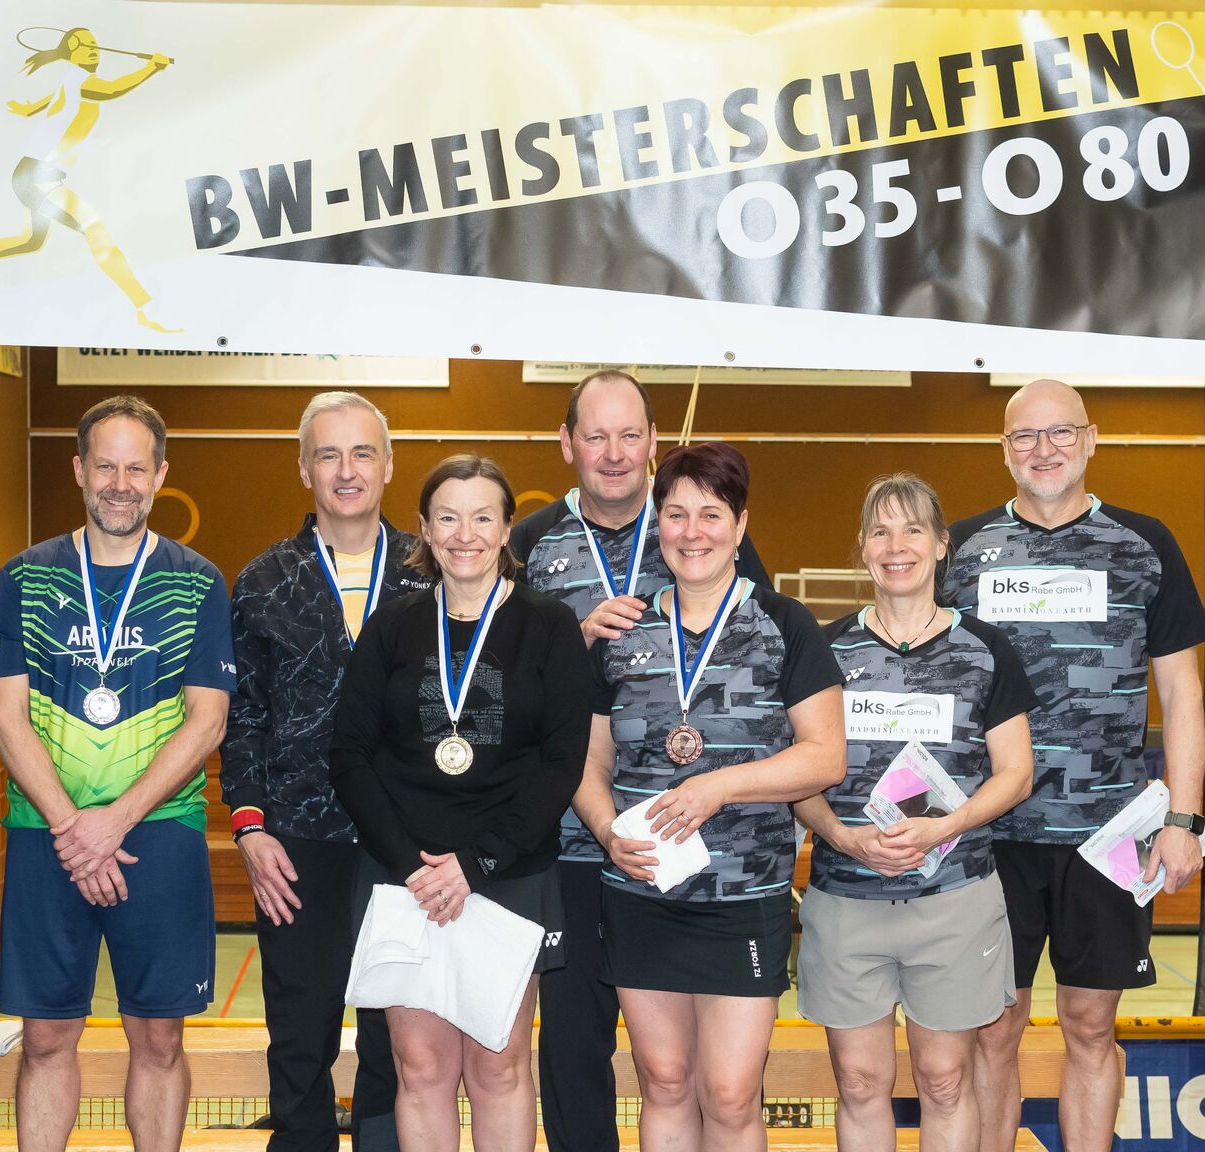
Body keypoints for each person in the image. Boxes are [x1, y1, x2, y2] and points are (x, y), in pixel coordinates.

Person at [507, 370, 771, 1152]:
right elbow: (494, 683)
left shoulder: (697, 525)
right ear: (567, 444)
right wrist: (570, 643)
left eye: (630, 435)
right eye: (597, 436)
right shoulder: (529, 544)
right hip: (569, 839)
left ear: (654, 441)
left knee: (699, 1070)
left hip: (690, 850)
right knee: (574, 1040)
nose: (615, 453)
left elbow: (762, 658)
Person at [954, 380, 1205, 1152]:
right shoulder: (960, 550)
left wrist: (1183, 818)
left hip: (1109, 835)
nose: (1044, 450)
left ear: (1091, 439)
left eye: (1060, 432)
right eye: (1025, 436)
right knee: (993, 1027)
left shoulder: (1145, 545)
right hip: (990, 834)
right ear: (1004, 450)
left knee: (1091, 1025)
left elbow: (1183, 695)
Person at [574, 442, 844, 1152]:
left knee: (729, 1093)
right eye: (676, 514)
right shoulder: (620, 629)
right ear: (657, 524)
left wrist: (719, 786)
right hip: (640, 889)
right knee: (663, 1080)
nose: (692, 532)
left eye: (711, 514)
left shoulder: (786, 625)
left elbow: (825, 757)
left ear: (741, 524)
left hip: (743, 895)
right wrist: (605, 831)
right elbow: (585, 759)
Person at [0, 395, 237, 1152]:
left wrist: (114, 821)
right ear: (78, 470)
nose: (119, 484)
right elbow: (5, 716)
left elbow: (207, 721)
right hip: (47, 834)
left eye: (135, 468)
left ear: (160, 475)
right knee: (44, 1038)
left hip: (157, 833)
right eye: (105, 466)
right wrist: (74, 828)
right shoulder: (24, 577)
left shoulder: (198, 582)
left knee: (159, 1037)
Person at [329, 454, 591, 1152]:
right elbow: (349, 755)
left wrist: (476, 864)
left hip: (508, 876)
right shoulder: (391, 626)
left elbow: (562, 763)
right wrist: (411, 867)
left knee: (499, 1068)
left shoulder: (550, 625)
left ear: (507, 528)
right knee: (422, 1068)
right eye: (448, 518)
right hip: (406, 879)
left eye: (482, 517)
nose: (465, 534)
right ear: (424, 528)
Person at [796, 473, 1037, 1152]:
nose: (896, 545)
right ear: (862, 548)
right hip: (847, 899)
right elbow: (797, 775)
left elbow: (1016, 773)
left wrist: (943, 827)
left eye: (912, 530)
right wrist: (842, 835)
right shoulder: (823, 651)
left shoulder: (987, 650)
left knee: (945, 1080)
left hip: (953, 898)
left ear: (940, 544)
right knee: (859, 1081)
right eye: (880, 531)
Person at [223, 392, 426, 1152]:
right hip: (296, 843)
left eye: (362, 452)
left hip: (405, 843)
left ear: (388, 465)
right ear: (304, 468)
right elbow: (242, 717)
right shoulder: (263, 580)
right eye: (329, 454)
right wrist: (250, 828)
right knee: (300, 1034)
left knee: (395, 1039)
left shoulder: (431, 572)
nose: (347, 471)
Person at [0, 27, 179, 332]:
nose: (91, 48)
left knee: (32, 241)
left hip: (33, 174)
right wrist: (151, 67)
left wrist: (29, 108)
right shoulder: (84, 82)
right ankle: (145, 309)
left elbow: (55, 97)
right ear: (71, 56)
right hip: (39, 177)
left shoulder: (74, 81)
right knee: (97, 232)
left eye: (93, 43)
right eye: (81, 46)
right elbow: (112, 90)